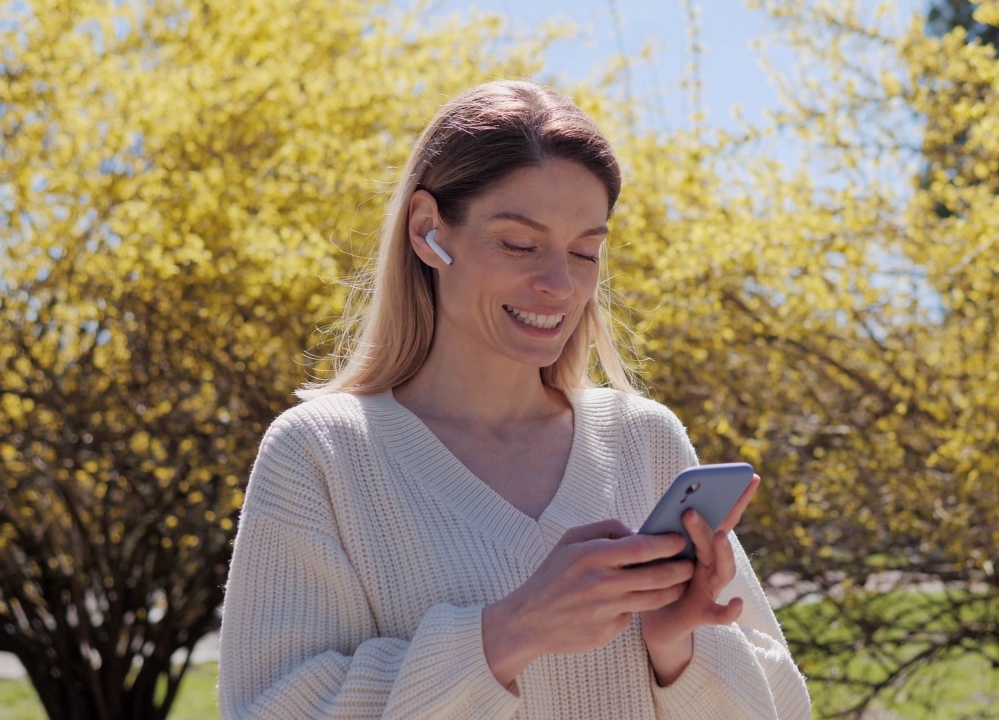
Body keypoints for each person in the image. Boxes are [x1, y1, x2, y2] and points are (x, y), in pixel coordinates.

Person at [218, 80, 810, 719]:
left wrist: (681, 648)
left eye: (585, 251)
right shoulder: (321, 456)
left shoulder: (644, 440)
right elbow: (269, 709)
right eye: (520, 244)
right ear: (427, 231)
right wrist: (508, 634)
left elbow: (783, 708)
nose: (559, 284)